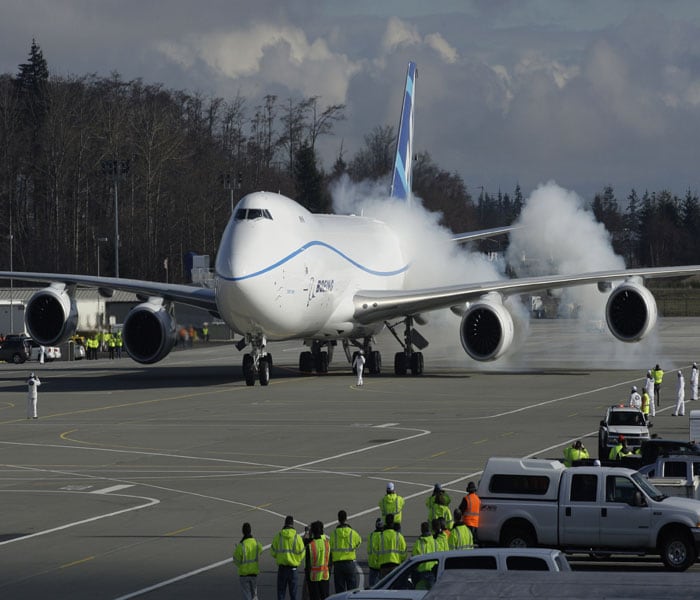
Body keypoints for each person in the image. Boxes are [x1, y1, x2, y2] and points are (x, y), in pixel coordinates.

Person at [271, 515, 306, 600]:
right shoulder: (297, 538)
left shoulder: (278, 536)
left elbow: (273, 552)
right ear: (292, 524)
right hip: (293, 569)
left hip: (282, 569)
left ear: (285, 523)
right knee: (293, 594)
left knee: (281, 593)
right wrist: (296, 560)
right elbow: (302, 553)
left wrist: (280, 557)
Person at [329, 510, 362, 593]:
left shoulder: (334, 534)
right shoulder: (352, 533)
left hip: (338, 565)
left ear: (338, 519)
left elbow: (330, 547)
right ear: (346, 518)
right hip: (349, 563)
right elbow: (359, 542)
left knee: (340, 591)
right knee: (352, 590)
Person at [233, 522, 264, 600]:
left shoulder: (241, 545)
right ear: (250, 531)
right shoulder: (256, 543)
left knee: (247, 594)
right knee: (255, 595)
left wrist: (241, 565)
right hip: (254, 573)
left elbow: (236, 560)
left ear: (243, 532)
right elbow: (260, 550)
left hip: (244, 574)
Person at [373, 513, 406, 579]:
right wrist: (400, 560)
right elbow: (404, 552)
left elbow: (375, 551)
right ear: (393, 522)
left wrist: (377, 562)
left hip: (383, 565)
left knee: (385, 586)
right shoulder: (398, 536)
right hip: (395, 564)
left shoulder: (380, 536)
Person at [306, 521, 330, 600]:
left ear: (312, 531)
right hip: (325, 576)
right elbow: (330, 561)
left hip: (313, 578)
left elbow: (308, 565)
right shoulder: (327, 544)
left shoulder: (310, 545)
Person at [410, 522, 438, 590]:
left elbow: (414, 558)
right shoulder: (435, 542)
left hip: (421, 572)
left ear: (421, 530)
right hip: (433, 571)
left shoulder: (418, 543)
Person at [366, 518, 383, 588]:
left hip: (372, 564)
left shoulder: (370, 536)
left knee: (371, 586)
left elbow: (368, 550)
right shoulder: (384, 535)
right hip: (382, 564)